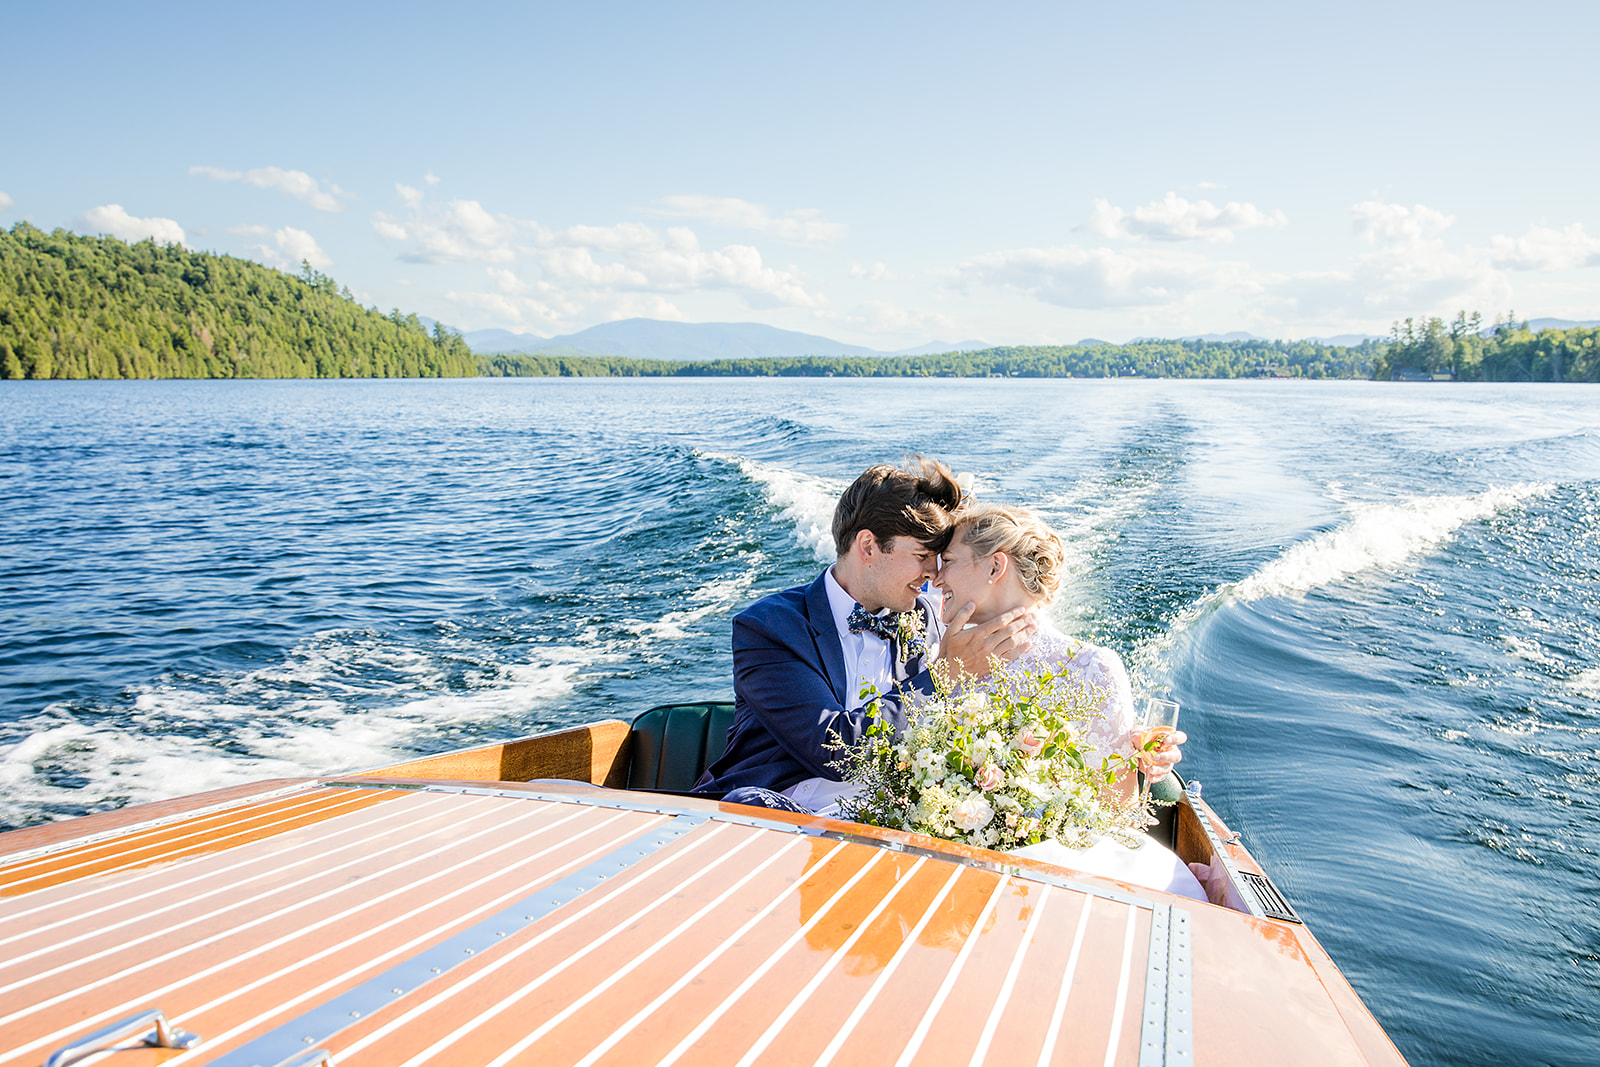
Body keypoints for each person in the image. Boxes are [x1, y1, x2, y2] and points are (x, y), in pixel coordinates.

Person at [693, 457, 1035, 807]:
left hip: (888, 814)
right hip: (773, 809)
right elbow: (835, 751)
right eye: (921, 555)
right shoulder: (769, 627)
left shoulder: (925, 617)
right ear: (868, 546)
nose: (933, 574)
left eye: (938, 559)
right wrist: (945, 674)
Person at [932, 503, 1204, 900]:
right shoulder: (939, 657)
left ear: (995, 567)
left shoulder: (1094, 668)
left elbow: (1116, 813)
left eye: (949, 561)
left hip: (1064, 873)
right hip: (950, 855)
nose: (936, 579)